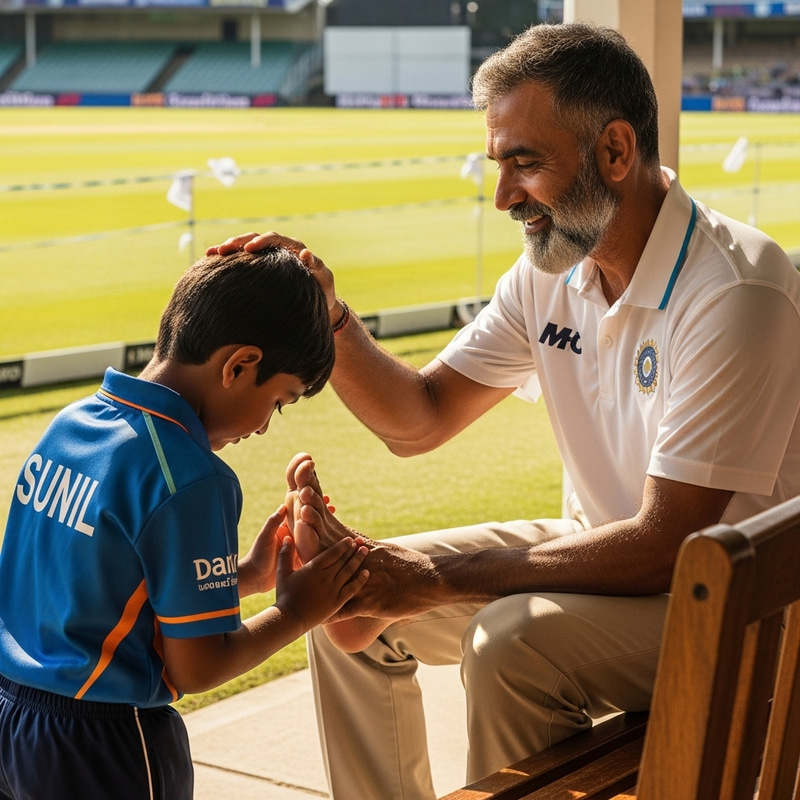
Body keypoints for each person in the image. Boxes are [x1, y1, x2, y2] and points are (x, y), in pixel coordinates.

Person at [211, 21, 800, 800]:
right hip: (609, 555)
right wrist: (330, 315)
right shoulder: (552, 272)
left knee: (509, 644)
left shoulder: (736, 290)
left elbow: (670, 546)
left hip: (742, 609)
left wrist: (427, 579)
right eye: (499, 165)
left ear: (616, 152)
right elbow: (419, 419)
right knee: (339, 592)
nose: (503, 197)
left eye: (525, 163)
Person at [0, 248, 370, 800]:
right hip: (106, 742)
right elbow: (197, 667)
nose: (267, 427)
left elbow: (99, 587)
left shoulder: (73, 424)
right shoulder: (193, 479)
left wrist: (244, 574)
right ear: (240, 365)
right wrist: (298, 611)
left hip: (13, 719)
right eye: (279, 401)